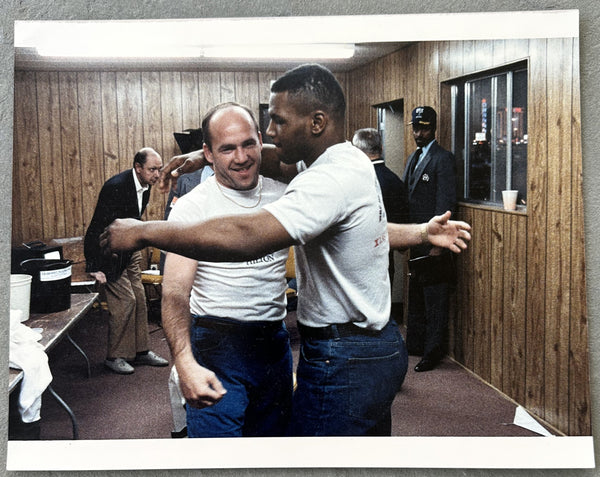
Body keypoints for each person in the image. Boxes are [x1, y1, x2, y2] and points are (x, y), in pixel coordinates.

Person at [101, 64, 471, 435]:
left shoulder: (310, 185)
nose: (263, 141)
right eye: (227, 148)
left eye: (269, 129)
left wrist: (142, 231)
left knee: (294, 459)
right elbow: (355, 230)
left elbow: (246, 236)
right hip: (236, 344)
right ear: (210, 152)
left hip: (318, 351)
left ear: (316, 123)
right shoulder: (349, 158)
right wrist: (421, 232)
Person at [162, 102, 293, 437]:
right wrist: (184, 362)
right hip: (218, 344)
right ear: (208, 153)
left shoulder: (287, 197)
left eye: (248, 144)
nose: (241, 157)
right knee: (216, 458)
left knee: (273, 451)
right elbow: (175, 291)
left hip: (274, 343)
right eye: (227, 148)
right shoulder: (193, 207)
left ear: (261, 141)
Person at [84, 147, 169, 374]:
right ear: (138, 168)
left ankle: (140, 352)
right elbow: (96, 226)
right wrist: (93, 265)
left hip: (130, 250)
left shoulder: (145, 186)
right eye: (152, 169)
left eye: (159, 169)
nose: (157, 175)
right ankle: (115, 356)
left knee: (140, 298)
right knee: (125, 301)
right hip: (109, 254)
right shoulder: (116, 187)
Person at [401, 106, 457, 373]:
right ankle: (416, 345)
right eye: (414, 128)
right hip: (417, 237)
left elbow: (445, 204)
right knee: (418, 296)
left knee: (435, 299)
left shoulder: (442, 159)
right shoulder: (413, 158)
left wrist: (438, 244)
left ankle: (432, 352)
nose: (417, 133)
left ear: (433, 128)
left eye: (422, 128)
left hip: (434, 240)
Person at [352, 127, 409, 285]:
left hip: (356, 261)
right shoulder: (395, 181)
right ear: (381, 148)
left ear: (357, 151)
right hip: (385, 259)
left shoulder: (354, 181)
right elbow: (402, 220)